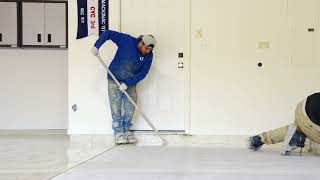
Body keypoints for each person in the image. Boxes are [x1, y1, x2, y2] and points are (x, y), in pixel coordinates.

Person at [91, 30, 156, 145]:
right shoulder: (126, 40)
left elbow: (143, 73)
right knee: (115, 106)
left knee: (130, 106)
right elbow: (108, 33)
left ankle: (126, 130)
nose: (147, 51)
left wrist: (128, 83)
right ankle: (118, 133)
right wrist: (97, 46)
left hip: (129, 82)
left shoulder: (148, 56)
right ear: (141, 43)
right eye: (146, 48)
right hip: (114, 79)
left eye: (150, 50)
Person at [248, 92, 320, 155]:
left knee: (298, 128)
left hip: (302, 108)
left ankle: (260, 138)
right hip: (310, 123)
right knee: (309, 132)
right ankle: (301, 140)